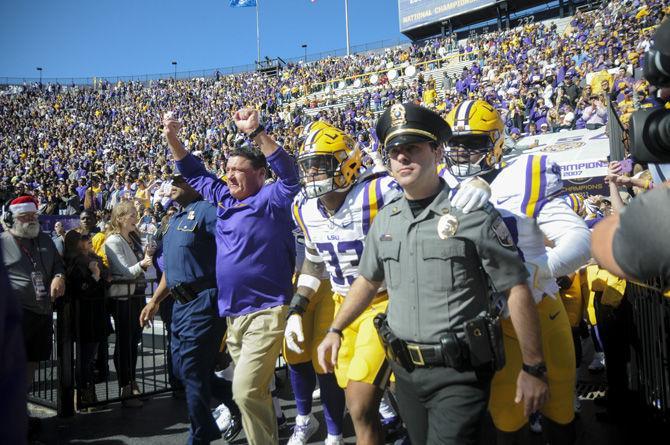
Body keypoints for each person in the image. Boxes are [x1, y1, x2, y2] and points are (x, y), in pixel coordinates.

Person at [318, 104, 548, 445]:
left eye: (413, 148)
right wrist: (335, 328)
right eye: (395, 152)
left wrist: (533, 368)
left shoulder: (471, 214)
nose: (402, 158)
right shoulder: (386, 219)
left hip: (459, 373)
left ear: (437, 151)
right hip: (406, 372)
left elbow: (515, 287)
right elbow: (367, 280)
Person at [287, 116, 490, 444]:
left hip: (383, 301)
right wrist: (299, 305)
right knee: (365, 405)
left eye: (321, 165)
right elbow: (314, 260)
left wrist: (476, 184)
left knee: (359, 401)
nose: (312, 175)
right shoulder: (303, 207)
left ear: (347, 163)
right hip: (343, 305)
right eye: (308, 167)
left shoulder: (377, 190)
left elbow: (428, 182)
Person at [443, 99, 591, 443]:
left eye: (473, 143)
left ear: (495, 142)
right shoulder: (442, 186)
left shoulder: (523, 175)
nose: (462, 153)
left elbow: (579, 240)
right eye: (456, 144)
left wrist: (532, 272)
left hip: (538, 311)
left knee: (561, 418)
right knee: (507, 424)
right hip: (485, 324)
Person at [163, 107, 301, 445]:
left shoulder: (271, 199)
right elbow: (194, 172)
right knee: (255, 394)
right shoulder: (224, 200)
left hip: (266, 310)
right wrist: (172, 139)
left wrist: (256, 133)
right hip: (234, 315)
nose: (230, 176)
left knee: (244, 390)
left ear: (260, 174)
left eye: (239, 170)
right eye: (227, 170)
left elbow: (291, 176)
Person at [139, 175, 242, 444]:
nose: (172, 184)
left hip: (203, 302)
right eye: (171, 180)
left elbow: (234, 245)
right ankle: (239, 399)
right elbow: (171, 270)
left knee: (194, 373)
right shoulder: (174, 219)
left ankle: (199, 434)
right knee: (183, 371)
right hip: (179, 305)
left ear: (196, 184)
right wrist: (154, 301)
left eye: (180, 181)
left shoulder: (208, 211)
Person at [0, 195, 65, 433]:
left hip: (41, 313)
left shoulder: (45, 240)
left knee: (31, 363)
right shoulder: (3, 242)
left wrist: (59, 277)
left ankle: (21, 411)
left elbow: (58, 265)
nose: (30, 220)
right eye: (24, 217)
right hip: (16, 315)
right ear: (11, 218)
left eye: (33, 216)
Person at [104, 200, 153, 408]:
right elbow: (125, 271)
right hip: (124, 298)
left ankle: (132, 382)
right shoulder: (113, 241)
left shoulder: (132, 238)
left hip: (136, 296)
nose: (136, 217)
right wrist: (143, 263)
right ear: (120, 218)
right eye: (132, 214)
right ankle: (125, 387)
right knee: (125, 341)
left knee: (134, 340)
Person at [63, 230, 111, 409]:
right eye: (83, 240)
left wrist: (99, 275)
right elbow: (82, 290)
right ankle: (83, 394)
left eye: (88, 238)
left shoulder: (94, 258)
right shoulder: (74, 263)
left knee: (91, 356)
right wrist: (95, 276)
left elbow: (107, 280)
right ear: (76, 244)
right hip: (85, 315)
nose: (89, 241)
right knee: (85, 357)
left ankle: (88, 392)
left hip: (98, 312)